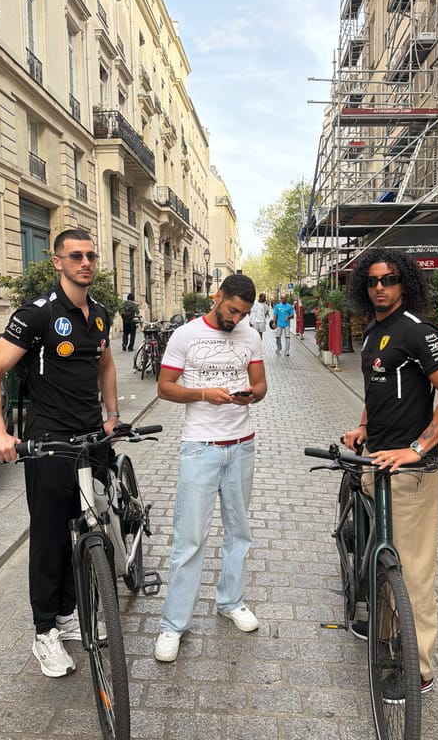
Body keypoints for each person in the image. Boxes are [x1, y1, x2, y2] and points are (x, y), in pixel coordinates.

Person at [0, 229, 120, 679]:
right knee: (49, 536)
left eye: (90, 255)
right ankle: (45, 632)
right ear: (57, 262)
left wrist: (112, 414)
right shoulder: (37, 314)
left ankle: (67, 613)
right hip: (48, 442)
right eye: (75, 256)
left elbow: (105, 362)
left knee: (85, 524)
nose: (86, 262)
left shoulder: (98, 313)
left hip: (90, 437)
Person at [342, 247, 438, 695]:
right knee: (382, 555)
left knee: (412, 572)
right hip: (375, 461)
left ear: (405, 283)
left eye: (389, 279)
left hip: (409, 474)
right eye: (373, 280)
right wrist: (362, 426)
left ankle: (420, 669)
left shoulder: (418, 332)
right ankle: (382, 634)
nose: (380, 286)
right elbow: (376, 390)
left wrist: (418, 448)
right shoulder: (375, 331)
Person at [154, 273, 267, 663]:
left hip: (242, 445)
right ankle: (173, 625)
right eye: (233, 310)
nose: (236, 319)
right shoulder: (185, 335)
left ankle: (231, 601)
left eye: (244, 313)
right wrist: (204, 394)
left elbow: (261, 384)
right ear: (218, 297)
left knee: (239, 532)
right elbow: (164, 387)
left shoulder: (250, 336)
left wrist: (251, 395)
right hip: (199, 447)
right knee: (189, 539)